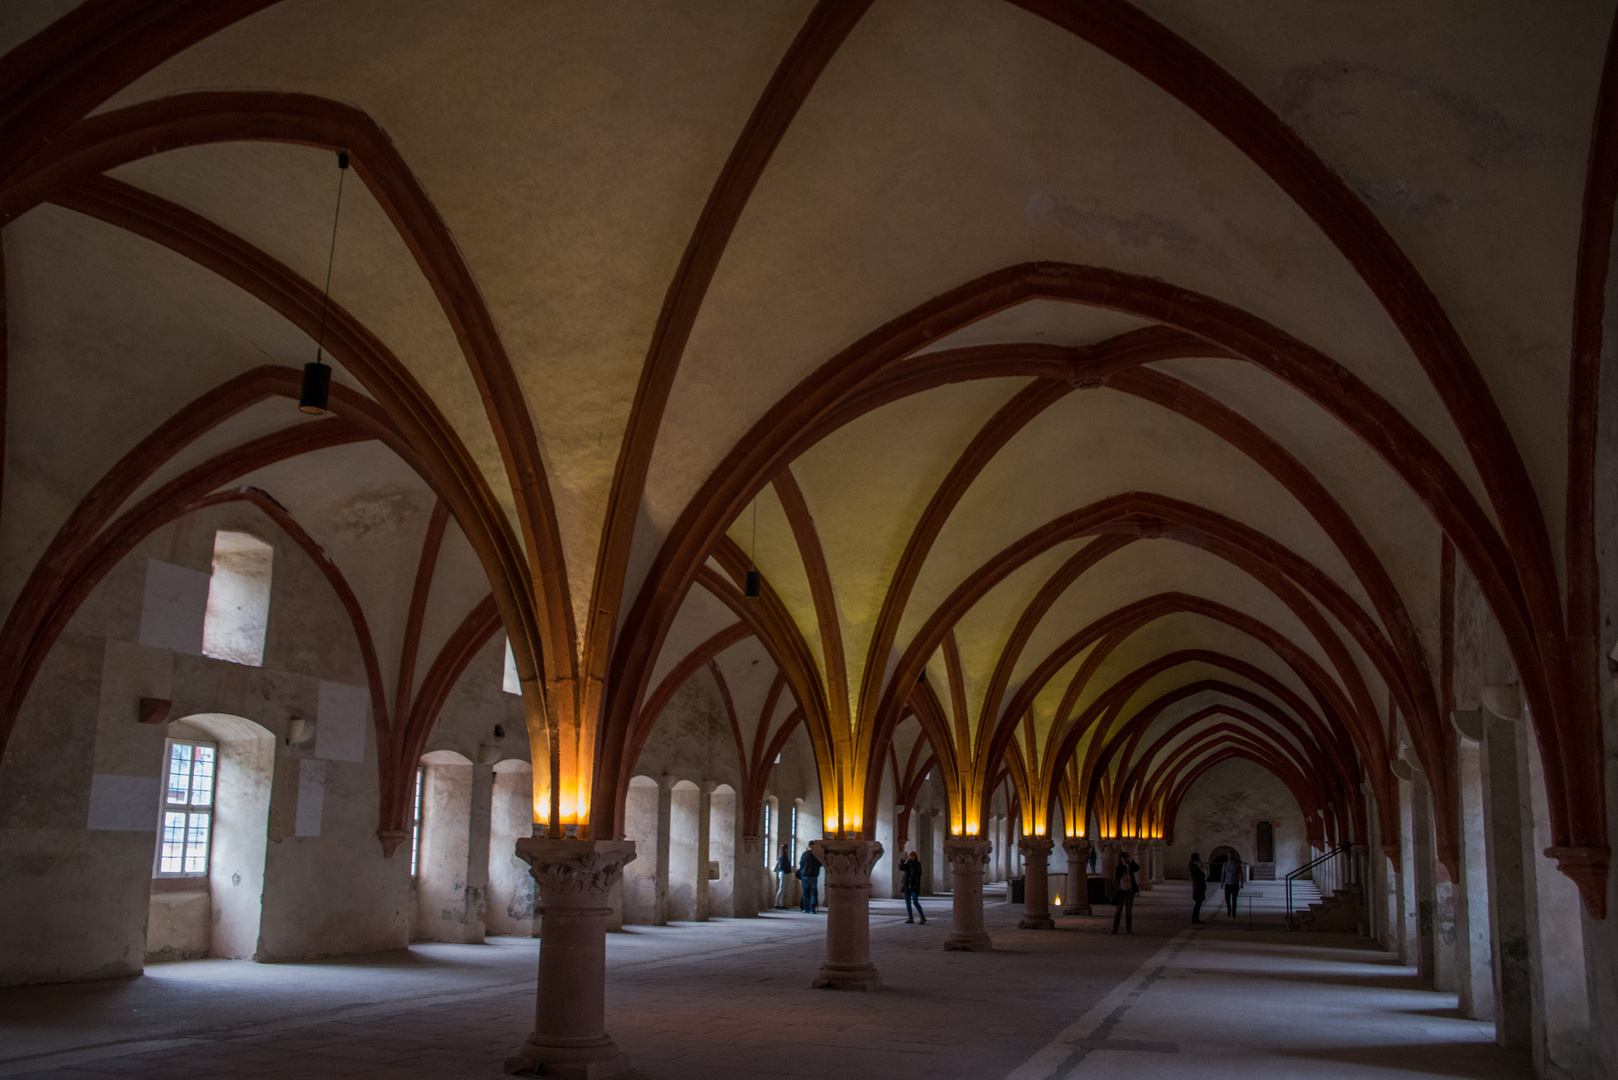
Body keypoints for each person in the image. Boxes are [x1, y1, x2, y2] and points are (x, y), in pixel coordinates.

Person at [1111, 851, 1141, 934]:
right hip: (1120, 890)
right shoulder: (1119, 867)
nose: (1126, 859)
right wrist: (1124, 865)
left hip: (1130, 890)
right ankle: (1115, 928)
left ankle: (1129, 928)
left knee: (1128, 910)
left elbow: (1137, 868)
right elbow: (1118, 875)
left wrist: (1131, 861)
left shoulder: (1130, 866)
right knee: (1118, 910)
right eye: (1125, 858)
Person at [899, 851, 925, 924]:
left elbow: (916, 872)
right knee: (908, 903)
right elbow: (901, 868)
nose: (911, 857)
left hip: (914, 886)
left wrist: (909, 863)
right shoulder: (907, 863)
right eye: (910, 856)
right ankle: (910, 917)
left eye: (913, 856)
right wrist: (903, 860)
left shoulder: (917, 864)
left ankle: (922, 916)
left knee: (915, 902)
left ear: (915, 857)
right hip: (907, 885)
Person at [798, 846, 822, 914]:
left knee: (805, 893)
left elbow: (801, 863)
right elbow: (820, 864)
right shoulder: (817, 854)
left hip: (805, 875)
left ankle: (806, 908)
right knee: (813, 893)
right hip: (813, 875)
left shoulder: (805, 854)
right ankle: (812, 909)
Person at [1222, 852, 1243, 918]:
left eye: (1231, 855)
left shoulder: (1237, 864)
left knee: (1234, 899)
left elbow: (1240, 874)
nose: (1229, 856)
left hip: (1235, 884)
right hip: (1227, 884)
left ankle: (1234, 913)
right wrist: (1222, 883)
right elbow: (1223, 874)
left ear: (1233, 856)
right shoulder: (1225, 864)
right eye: (1228, 855)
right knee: (1227, 899)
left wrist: (1241, 882)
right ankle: (1229, 910)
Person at [1188, 852, 1207, 924]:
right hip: (1198, 888)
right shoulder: (1195, 868)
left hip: (1197, 887)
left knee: (1198, 903)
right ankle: (1195, 918)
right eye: (1198, 858)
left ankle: (1195, 918)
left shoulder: (1193, 867)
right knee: (1198, 903)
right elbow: (1198, 879)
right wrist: (1202, 872)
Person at [774, 844, 793, 910]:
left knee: (783, 889)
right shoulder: (783, 856)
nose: (787, 850)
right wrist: (786, 871)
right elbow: (782, 866)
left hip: (784, 873)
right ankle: (777, 903)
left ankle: (781, 903)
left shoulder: (783, 856)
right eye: (786, 849)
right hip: (783, 873)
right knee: (781, 889)